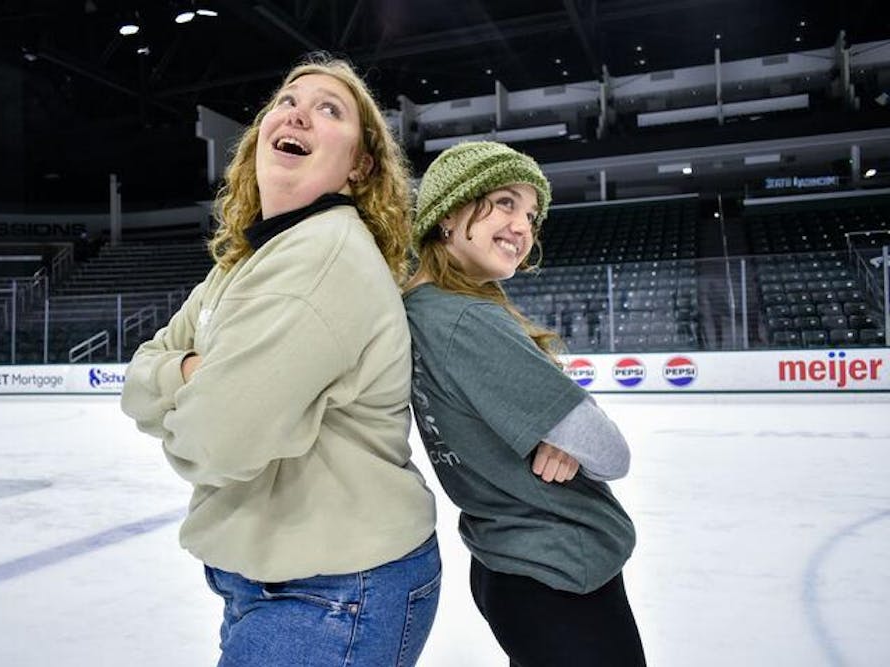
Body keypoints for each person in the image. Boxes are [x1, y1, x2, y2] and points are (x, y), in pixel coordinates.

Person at [120, 54, 439, 667]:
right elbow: (142, 368)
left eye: (329, 109)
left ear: (360, 165)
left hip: (335, 593)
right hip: (278, 579)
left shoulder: (321, 260)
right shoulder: (244, 261)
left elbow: (212, 444)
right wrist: (188, 373)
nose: (297, 111)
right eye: (288, 100)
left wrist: (186, 382)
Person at [404, 141, 645, 666]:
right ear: (448, 213)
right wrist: (573, 438)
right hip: (557, 569)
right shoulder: (466, 321)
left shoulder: (418, 310)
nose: (523, 227)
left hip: (509, 564)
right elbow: (611, 453)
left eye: (532, 215)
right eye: (506, 202)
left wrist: (561, 435)